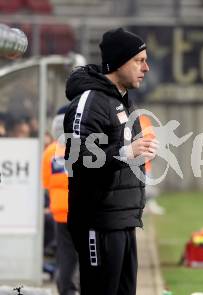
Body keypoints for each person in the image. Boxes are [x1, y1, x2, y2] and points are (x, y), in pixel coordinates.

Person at [63, 28, 158, 295]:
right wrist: (125, 153)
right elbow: (78, 158)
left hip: (123, 220)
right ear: (118, 62)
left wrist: (139, 152)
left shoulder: (122, 100)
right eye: (139, 60)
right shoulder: (90, 100)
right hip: (99, 223)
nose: (146, 68)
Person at [42, 105, 79, 295]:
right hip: (81, 208)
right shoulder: (84, 148)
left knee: (65, 254)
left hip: (59, 209)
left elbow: (46, 182)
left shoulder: (49, 152)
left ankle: (65, 289)